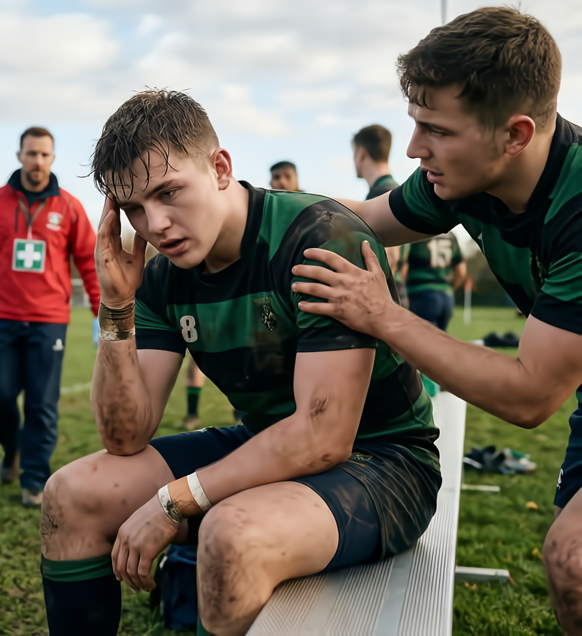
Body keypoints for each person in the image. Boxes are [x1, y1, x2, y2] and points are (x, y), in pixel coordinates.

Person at [39, 90, 440, 636]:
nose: (153, 223)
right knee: (70, 495)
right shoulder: (160, 275)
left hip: (381, 462)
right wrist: (116, 306)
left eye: (168, 192)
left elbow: (323, 437)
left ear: (220, 168)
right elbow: (124, 434)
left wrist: (178, 499)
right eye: (133, 207)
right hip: (266, 447)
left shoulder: (317, 236)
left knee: (229, 533)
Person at [288, 7, 582, 634]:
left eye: (436, 129)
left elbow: (531, 394)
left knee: (573, 558)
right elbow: (363, 216)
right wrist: (232, 208)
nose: (416, 148)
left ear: (516, 134)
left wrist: (384, 316)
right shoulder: (465, 177)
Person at [0, 127, 100, 508]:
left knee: (41, 404)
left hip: (49, 321)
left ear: (53, 159)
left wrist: (100, 310)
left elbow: (90, 261)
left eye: (45, 155)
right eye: (31, 154)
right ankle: (11, 448)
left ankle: (34, 478)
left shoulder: (69, 207)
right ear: (19, 156)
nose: (37, 161)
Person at [353, 124, 411, 307]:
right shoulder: (398, 192)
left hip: (386, 300)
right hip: (400, 293)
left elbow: (389, 259)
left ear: (361, 153)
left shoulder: (381, 197)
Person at [405, 233, 466, 332]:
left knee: (421, 343)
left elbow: (403, 263)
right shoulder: (451, 236)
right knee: (440, 342)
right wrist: (449, 288)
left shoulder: (415, 229)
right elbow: (461, 271)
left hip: (422, 294)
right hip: (447, 297)